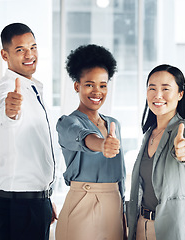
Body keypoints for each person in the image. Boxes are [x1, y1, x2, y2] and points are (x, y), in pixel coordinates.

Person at [0, 23, 56, 240]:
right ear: (4, 55)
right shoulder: (6, 89)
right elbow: (8, 123)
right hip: (20, 205)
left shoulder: (33, 86)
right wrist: (11, 112)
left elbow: (35, 148)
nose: (30, 55)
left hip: (34, 200)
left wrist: (46, 197)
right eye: (20, 50)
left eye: (33, 47)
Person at [55, 44, 126, 240]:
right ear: (77, 86)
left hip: (114, 202)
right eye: (89, 84)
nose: (97, 91)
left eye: (103, 85)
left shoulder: (114, 124)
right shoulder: (67, 123)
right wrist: (102, 145)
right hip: (81, 203)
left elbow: (121, 175)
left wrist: (124, 215)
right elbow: (83, 137)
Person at [127, 64, 185, 240]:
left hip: (175, 229)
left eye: (165, 89)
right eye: (152, 88)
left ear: (180, 94)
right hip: (142, 226)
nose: (158, 95)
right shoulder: (148, 134)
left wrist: (184, 150)